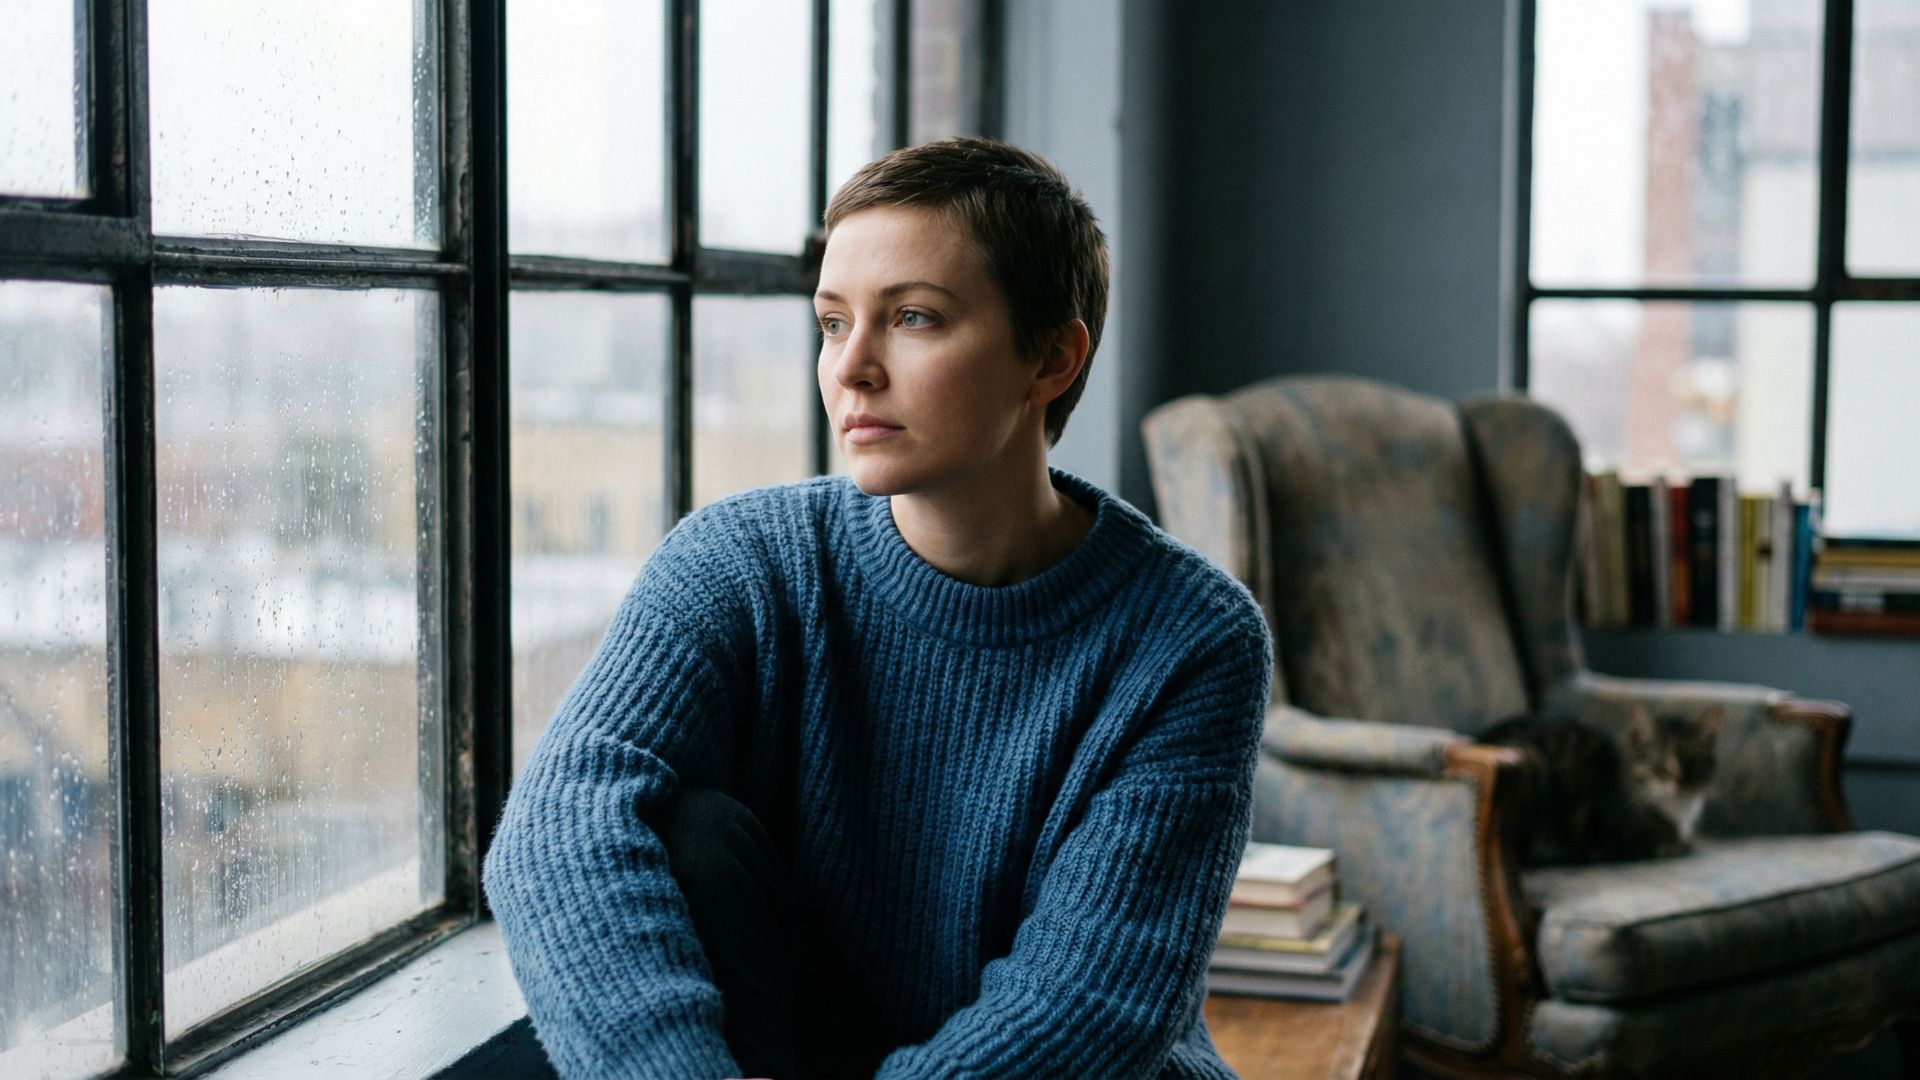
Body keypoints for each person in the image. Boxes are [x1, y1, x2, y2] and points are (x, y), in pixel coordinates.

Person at [483, 137, 1273, 1079]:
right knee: (689, 835)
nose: (851, 368)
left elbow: (1088, 1007)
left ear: (1051, 359)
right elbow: (558, 822)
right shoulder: (739, 561)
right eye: (830, 323)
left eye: (913, 318)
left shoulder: (1192, 639)